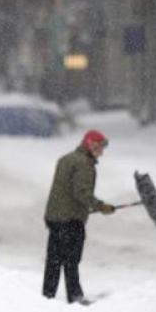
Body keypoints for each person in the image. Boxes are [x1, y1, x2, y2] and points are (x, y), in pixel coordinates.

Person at [42, 130, 115, 303]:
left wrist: (80, 208)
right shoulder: (84, 164)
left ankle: (47, 296)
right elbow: (81, 192)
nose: (102, 152)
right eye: (100, 148)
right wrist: (100, 206)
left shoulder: (66, 159)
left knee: (54, 259)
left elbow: (65, 191)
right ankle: (75, 297)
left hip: (55, 216)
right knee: (71, 259)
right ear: (92, 145)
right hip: (70, 220)